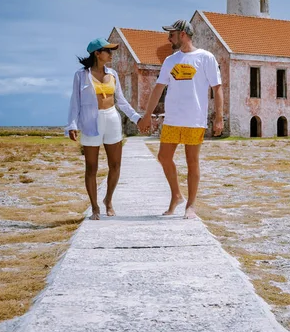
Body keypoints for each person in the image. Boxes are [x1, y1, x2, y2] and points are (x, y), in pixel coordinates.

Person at [138, 20, 223, 219]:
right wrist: (147, 116)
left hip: (194, 119)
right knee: (163, 157)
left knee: (192, 162)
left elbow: (217, 88)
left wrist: (219, 118)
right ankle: (176, 195)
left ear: (183, 34)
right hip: (172, 119)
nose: (169, 38)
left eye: (172, 34)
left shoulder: (205, 58)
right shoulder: (170, 60)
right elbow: (158, 88)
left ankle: (191, 206)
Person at [66, 38, 141, 220]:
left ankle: (109, 200)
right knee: (91, 167)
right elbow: (75, 102)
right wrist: (72, 124)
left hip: (112, 118)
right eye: (107, 51)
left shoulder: (113, 74)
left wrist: (136, 118)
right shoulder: (81, 75)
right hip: (91, 120)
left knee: (115, 165)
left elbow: (121, 100)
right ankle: (94, 207)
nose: (111, 54)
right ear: (97, 54)